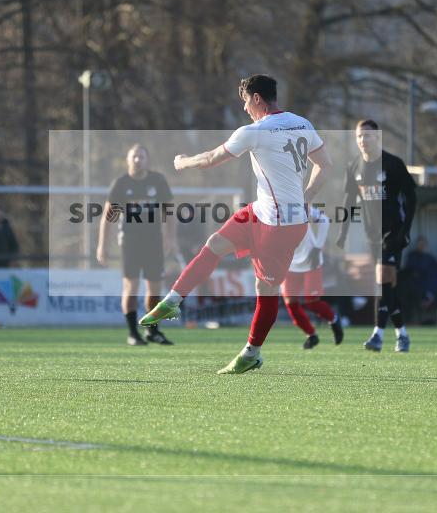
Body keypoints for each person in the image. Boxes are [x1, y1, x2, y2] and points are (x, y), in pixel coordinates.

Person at [139, 74, 333, 374]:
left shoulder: (255, 131)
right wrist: (304, 198)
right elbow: (326, 166)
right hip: (263, 212)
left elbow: (211, 159)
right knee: (215, 243)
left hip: (280, 228)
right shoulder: (303, 123)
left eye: (245, 101)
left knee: (265, 289)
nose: (244, 109)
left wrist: (182, 162)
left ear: (257, 99)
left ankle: (252, 352)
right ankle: (174, 299)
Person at [337, 119, 417, 353]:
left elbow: (411, 198)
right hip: (372, 235)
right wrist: (342, 232)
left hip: (393, 234)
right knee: (388, 288)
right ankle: (402, 335)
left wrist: (405, 231)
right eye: (359, 136)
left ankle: (377, 335)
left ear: (377, 138)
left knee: (381, 285)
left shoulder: (392, 164)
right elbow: (349, 201)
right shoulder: (354, 168)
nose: (363, 140)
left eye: (368, 136)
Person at [98, 144, 177, 346]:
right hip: (130, 242)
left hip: (153, 241)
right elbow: (108, 218)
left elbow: (169, 212)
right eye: (134, 156)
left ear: (147, 160)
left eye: (141, 156)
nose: (137, 160)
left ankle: (153, 331)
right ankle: (133, 333)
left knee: (155, 287)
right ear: (127, 160)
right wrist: (102, 245)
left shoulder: (157, 181)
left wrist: (170, 238)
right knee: (131, 286)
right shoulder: (121, 184)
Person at [280, 205, 343, 349]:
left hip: (310, 260)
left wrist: (317, 247)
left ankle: (334, 319)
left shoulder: (298, 206)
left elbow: (324, 220)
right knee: (291, 304)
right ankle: (311, 335)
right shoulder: (268, 209)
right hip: (290, 264)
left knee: (311, 302)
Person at [404, 236, 437, 320]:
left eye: (423, 244)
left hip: (431, 287)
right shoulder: (412, 256)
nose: (421, 246)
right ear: (417, 245)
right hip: (417, 286)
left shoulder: (430, 258)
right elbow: (411, 271)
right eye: (420, 244)